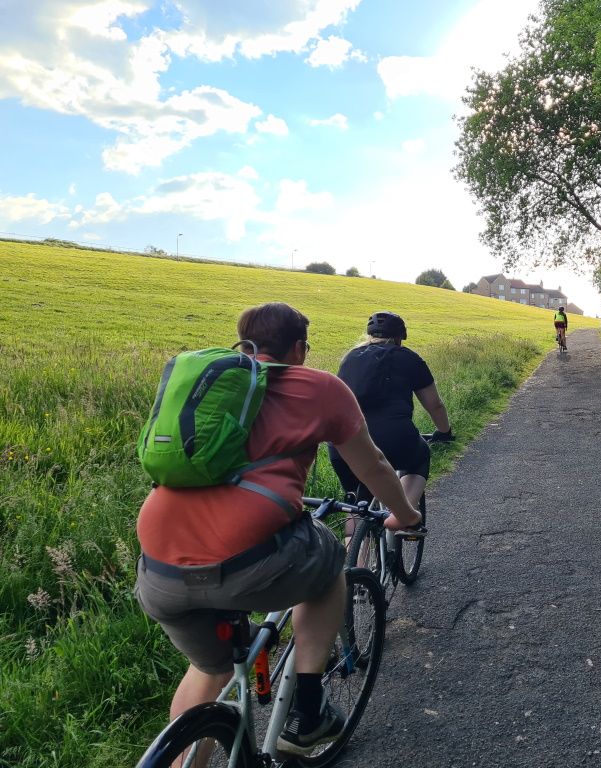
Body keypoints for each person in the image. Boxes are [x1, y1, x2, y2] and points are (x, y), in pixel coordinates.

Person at [134, 302, 421, 758]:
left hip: (159, 562)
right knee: (329, 566)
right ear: (300, 348)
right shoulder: (322, 387)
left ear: (244, 341)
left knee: (209, 668)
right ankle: (310, 713)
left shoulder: (207, 386)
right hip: (248, 555)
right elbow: (374, 465)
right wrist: (405, 515)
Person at [329, 311, 452, 508]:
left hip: (343, 442)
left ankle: (353, 539)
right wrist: (444, 432)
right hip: (394, 439)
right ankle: (403, 515)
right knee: (419, 458)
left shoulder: (350, 358)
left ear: (369, 335)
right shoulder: (409, 358)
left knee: (356, 503)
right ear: (399, 338)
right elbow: (435, 405)